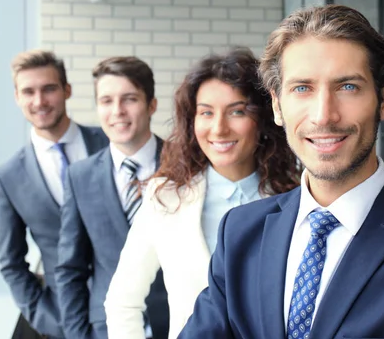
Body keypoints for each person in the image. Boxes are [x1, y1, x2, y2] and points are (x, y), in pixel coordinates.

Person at [179, 4, 384, 339]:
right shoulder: (241, 232)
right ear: (276, 104)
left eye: (347, 86)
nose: (323, 115)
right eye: (302, 88)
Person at [104, 47, 302, 339]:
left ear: (261, 120)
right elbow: (122, 301)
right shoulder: (166, 196)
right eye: (206, 113)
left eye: (237, 111)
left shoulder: (295, 196)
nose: (219, 129)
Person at [0, 49, 108, 338]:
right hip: (61, 319)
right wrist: (47, 318)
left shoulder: (110, 143)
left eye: (49, 89)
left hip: (124, 310)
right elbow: (11, 262)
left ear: (67, 90)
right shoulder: (8, 176)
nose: (39, 101)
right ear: (17, 97)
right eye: (28, 91)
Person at [55, 56, 169, 339]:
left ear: (151, 104)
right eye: (106, 101)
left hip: (178, 322)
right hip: (106, 328)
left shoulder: (186, 165)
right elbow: (71, 269)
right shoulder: (79, 176)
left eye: (129, 99)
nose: (117, 111)